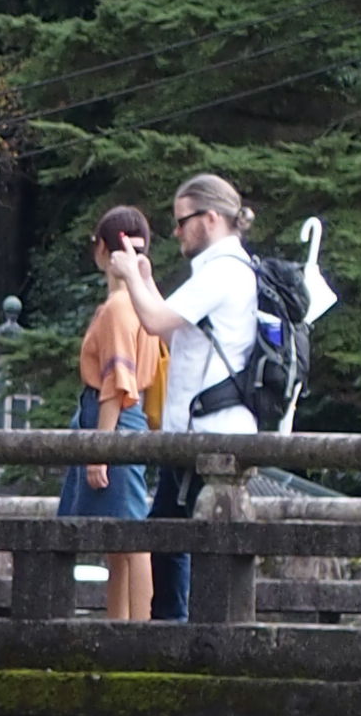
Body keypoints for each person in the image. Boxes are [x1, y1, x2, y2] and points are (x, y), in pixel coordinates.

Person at [107, 170, 267, 623]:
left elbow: (156, 321)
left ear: (211, 218)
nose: (176, 231)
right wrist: (143, 277)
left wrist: (129, 277)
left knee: (178, 540)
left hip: (209, 434)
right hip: (205, 431)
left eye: (182, 221)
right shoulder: (227, 270)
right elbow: (178, 331)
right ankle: (176, 627)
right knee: (169, 535)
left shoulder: (222, 271)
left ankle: (180, 630)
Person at [60, 205, 161, 621]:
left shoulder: (119, 307)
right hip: (127, 416)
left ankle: (137, 625)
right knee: (118, 540)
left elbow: (115, 382)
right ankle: (118, 622)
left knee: (130, 533)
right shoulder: (147, 302)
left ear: (102, 249)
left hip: (113, 416)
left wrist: (99, 448)